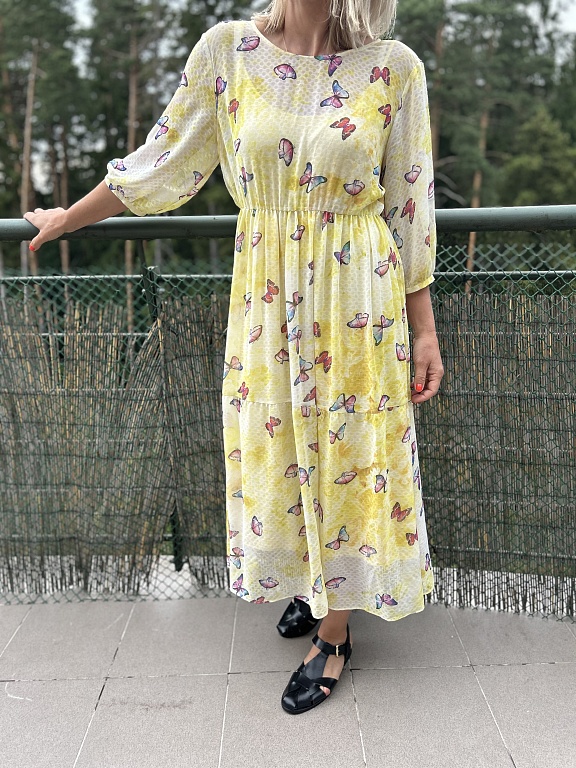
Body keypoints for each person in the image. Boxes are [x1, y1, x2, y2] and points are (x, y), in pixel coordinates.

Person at [24, 0, 444, 715]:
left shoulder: (394, 67)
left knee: (347, 450)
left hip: (357, 295)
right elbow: (163, 159)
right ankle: (312, 580)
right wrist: (70, 217)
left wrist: (424, 331)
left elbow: (410, 205)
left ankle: (335, 633)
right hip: (266, 293)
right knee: (277, 442)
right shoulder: (228, 52)